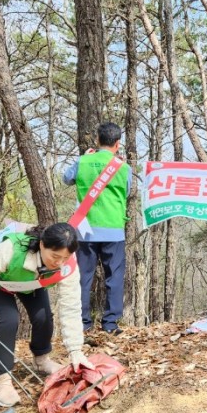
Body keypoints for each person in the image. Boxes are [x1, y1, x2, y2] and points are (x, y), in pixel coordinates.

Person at [0, 222, 95, 407]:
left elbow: (71, 307)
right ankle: (1, 381)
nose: (59, 263)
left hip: (32, 284)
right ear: (42, 245)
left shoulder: (68, 266)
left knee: (43, 316)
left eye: (65, 257)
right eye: (55, 256)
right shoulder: (12, 250)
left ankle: (41, 361)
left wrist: (75, 351)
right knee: (9, 319)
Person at [63, 122, 131, 335]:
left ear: (97, 140)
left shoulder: (83, 161)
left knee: (83, 277)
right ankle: (110, 324)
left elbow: (66, 178)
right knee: (115, 276)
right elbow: (127, 192)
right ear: (118, 144)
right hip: (113, 229)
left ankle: (83, 323)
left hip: (85, 229)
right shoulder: (123, 167)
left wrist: (84, 157)